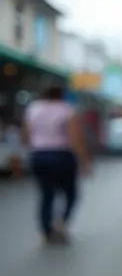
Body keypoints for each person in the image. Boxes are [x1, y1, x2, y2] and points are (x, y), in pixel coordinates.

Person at [22, 85, 91, 244]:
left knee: (46, 195)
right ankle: (61, 223)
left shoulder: (33, 109)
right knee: (71, 194)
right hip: (61, 155)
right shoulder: (67, 110)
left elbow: (25, 135)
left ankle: (46, 231)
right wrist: (84, 160)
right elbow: (75, 138)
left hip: (39, 155)